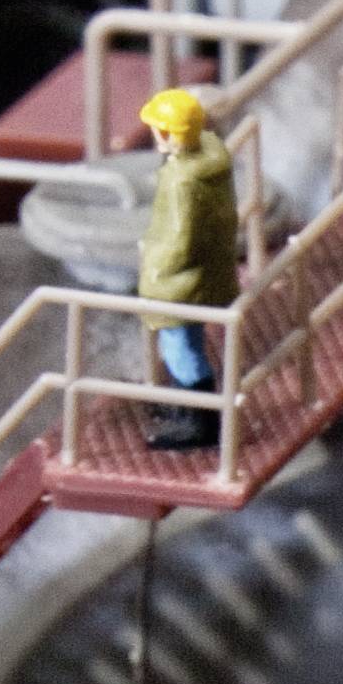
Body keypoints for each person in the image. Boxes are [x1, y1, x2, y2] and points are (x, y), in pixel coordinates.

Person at [133, 82, 238, 453]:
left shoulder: (182, 180)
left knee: (180, 348)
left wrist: (155, 268)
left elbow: (180, 239)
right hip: (208, 271)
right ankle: (187, 407)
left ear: (168, 134)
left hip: (182, 280)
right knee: (185, 342)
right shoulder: (211, 156)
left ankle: (199, 424)